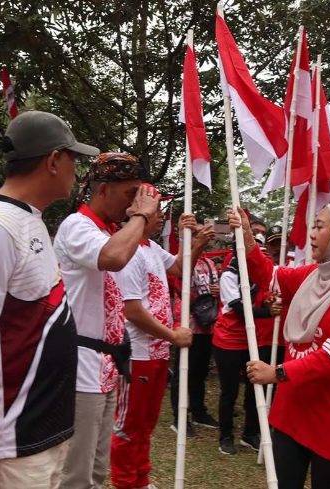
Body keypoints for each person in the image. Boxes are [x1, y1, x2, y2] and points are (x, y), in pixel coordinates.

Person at [0, 110, 99, 488]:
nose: (76, 172)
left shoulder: (30, 220)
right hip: (11, 443)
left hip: (41, 433)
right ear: (53, 160)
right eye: (73, 160)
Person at [233, 200, 330, 489]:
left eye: (320, 226)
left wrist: (276, 373)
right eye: (312, 225)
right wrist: (248, 239)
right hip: (293, 410)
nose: (311, 234)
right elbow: (270, 277)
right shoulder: (314, 274)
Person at [54, 152, 160, 489]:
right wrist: (142, 215)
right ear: (103, 190)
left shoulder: (108, 230)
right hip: (80, 366)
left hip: (104, 366)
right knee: (77, 474)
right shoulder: (77, 225)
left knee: (98, 472)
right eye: (129, 194)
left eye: (137, 197)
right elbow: (113, 257)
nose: (133, 205)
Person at [110, 197, 211, 489]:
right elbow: (131, 310)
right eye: (156, 212)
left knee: (146, 423)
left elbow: (179, 268)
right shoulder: (126, 251)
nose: (161, 218)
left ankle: (140, 478)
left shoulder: (151, 248)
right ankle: (125, 481)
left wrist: (196, 240)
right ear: (135, 211)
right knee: (129, 425)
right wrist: (172, 336)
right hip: (137, 352)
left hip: (157, 352)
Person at [214, 252, 280, 455]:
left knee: (255, 387)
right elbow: (241, 310)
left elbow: (265, 296)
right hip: (228, 340)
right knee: (230, 390)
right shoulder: (229, 276)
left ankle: (250, 433)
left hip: (252, 340)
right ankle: (225, 436)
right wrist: (268, 312)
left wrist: (270, 303)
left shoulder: (257, 277)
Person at [169, 223, 220, 433]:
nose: (202, 237)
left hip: (207, 324)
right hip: (187, 323)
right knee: (184, 371)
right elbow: (181, 278)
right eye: (197, 234)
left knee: (200, 371)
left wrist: (217, 290)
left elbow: (214, 286)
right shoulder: (181, 261)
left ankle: (199, 411)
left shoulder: (209, 263)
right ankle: (179, 417)